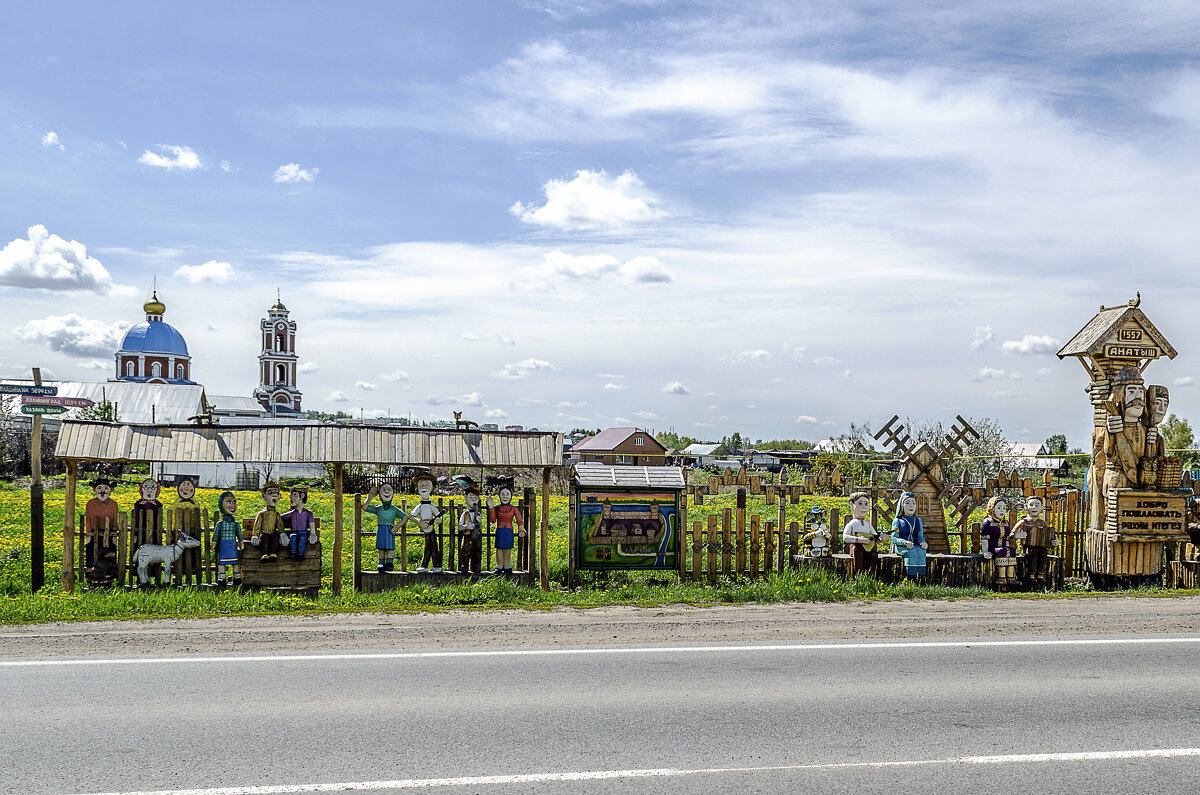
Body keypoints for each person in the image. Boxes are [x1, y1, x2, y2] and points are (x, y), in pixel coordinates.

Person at [1012, 495, 1057, 587]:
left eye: (1037, 505)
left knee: (1043, 552)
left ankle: (1040, 574)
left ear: (1041, 508)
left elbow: (1052, 534)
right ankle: (1031, 574)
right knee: (1034, 552)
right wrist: (1017, 536)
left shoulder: (1043, 523)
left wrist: (1056, 541)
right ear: (1026, 507)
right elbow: (1011, 535)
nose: (1034, 507)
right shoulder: (1023, 522)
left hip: (1040, 546)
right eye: (1031, 505)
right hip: (1026, 548)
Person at [84, 478, 120, 587]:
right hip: (93, 533)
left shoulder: (113, 504)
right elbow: (88, 518)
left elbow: (114, 519)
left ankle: (109, 578)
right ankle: (91, 579)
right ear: (94, 489)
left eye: (106, 488)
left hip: (109, 534)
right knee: (92, 555)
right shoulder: (90, 503)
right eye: (99, 488)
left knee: (110, 555)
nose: (102, 491)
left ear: (111, 490)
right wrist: (88, 533)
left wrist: (114, 534)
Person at [364, 483, 404, 572]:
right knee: (381, 548)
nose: (386, 491)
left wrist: (397, 526)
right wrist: (370, 497)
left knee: (390, 547)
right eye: (383, 489)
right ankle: (381, 562)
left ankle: (390, 562)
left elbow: (405, 517)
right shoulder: (378, 509)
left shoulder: (394, 509)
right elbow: (365, 507)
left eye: (389, 489)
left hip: (390, 529)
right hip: (381, 530)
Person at [842, 491, 883, 577]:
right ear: (852, 505)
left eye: (866, 504)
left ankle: (870, 575)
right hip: (856, 547)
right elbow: (845, 538)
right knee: (858, 551)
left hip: (867, 547)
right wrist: (858, 540)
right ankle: (859, 575)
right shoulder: (852, 524)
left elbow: (875, 537)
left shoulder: (868, 524)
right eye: (860, 503)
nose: (863, 507)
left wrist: (880, 539)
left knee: (874, 554)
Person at [487, 482, 524, 575]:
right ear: (499, 496)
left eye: (507, 494)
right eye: (502, 494)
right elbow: (492, 520)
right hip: (500, 530)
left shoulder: (514, 508)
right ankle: (499, 565)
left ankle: (507, 565)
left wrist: (521, 528)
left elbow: (519, 519)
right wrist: (491, 507)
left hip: (509, 530)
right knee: (499, 548)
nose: (505, 496)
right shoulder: (497, 508)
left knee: (508, 548)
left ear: (511, 496)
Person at [410, 475, 444, 573]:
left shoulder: (431, 506)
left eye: (426, 485)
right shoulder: (419, 506)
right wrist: (419, 522)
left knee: (432, 545)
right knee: (429, 545)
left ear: (431, 488)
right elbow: (412, 516)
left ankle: (431, 565)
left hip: (431, 528)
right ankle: (429, 565)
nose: (424, 487)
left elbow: (439, 516)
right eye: (421, 485)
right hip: (425, 528)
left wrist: (438, 520)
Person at [981, 496, 1017, 588]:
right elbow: (985, 539)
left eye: (1004, 508)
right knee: (1002, 551)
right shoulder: (987, 522)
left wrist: (1014, 538)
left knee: (1011, 551)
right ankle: (1001, 577)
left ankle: (1010, 576)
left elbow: (1006, 538)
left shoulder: (1006, 523)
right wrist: (985, 551)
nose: (1002, 510)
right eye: (999, 508)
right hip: (993, 547)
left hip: (1003, 546)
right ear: (992, 508)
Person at [891, 491, 928, 578]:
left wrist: (922, 542)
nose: (911, 505)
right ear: (902, 506)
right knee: (911, 552)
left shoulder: (918, 521)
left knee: (922, 551)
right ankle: (911, 577)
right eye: (907, 503)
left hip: (915, 546)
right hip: (902, 547)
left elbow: (919, 535)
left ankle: (921, 576)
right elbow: (894, 538)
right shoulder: (898, 521)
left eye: (913, 503)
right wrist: (904, 542)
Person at [212, 491, 243, 587]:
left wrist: (241, 542)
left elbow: (239, 534)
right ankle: (222, 579)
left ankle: (237, 578)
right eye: (228, 502)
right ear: (221, 505)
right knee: (222, 564)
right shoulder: (220, 524)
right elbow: (216, 535)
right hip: (223, 546)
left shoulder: (236, 524)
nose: (232, 505)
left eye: (234, 502)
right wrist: (214, 543)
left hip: (232, 545)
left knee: (235, 563)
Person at [251, 481, 286, 562]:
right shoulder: (262, 513)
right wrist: (255, 535)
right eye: (270, 492)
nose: (274, 495)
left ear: (279, 496)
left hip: (273, 533)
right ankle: (264, 554)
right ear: (264, 495)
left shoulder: (276, 514)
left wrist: (282, 533)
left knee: (275, 536)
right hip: (264, 533)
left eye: (276, 493)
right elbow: (257, 525)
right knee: (265, 537)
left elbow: (280, 525)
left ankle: (273, 553)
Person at [281, 488, 317, 560]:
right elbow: (281, 517)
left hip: (303, 532)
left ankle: (301, 554)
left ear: (302, 496)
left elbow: (311, 523)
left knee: (303, 538)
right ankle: (293, 553)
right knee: (293, 537)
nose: (290, 497)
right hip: (294, 532)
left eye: (295, 495)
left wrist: (313, 534)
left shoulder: (308, 513)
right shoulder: (292, 513)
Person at [457, 479, 484, 575]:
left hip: (477, 536)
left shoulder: (478, 513)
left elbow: (481, 529)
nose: (473, 499)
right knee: (466, 551)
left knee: (477, 551)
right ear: (466, 498)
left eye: (475, 498)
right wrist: (466, 526)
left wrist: (479, 523)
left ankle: (475, 565)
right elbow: (459, 527)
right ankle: (464, 565)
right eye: (471, 497)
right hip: (467, 536)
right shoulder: (465, 514)